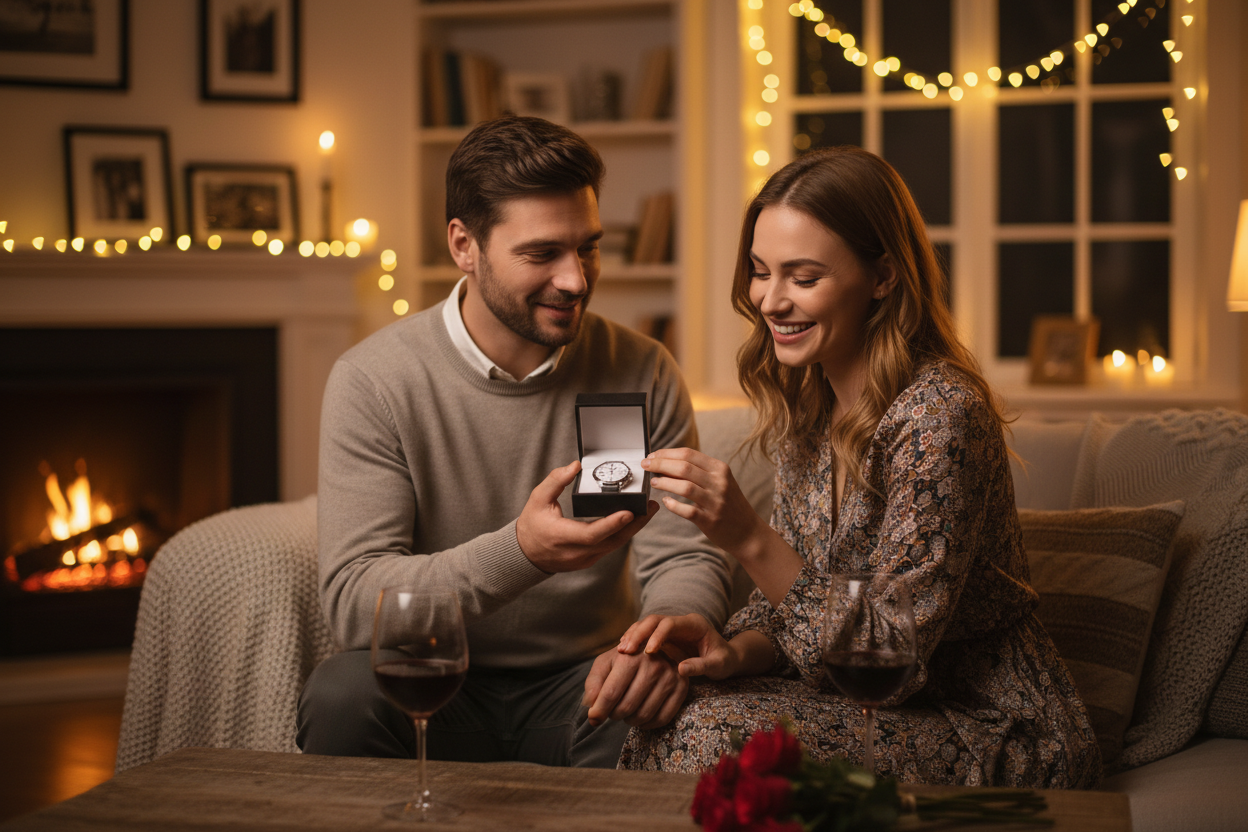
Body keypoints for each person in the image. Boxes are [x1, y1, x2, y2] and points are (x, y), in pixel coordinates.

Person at [608, 147, 1102, 788]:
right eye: (760, 272)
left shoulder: (939, 415)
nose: (770, 300)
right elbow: (791, 609)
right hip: (863, 703)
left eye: (803, 277)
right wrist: (733, 651)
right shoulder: (807, 407)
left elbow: (887, 656)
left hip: (991, 724)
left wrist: (747, 535)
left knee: (704, 738)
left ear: (884, 276)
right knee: (668, 710)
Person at [297, 115, 730, 768]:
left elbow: (680, 557)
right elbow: (357, 605)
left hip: (585, 687)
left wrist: (657, 646)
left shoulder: (639, 370)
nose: (576, 280)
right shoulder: (376, 381)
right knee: (340, 695)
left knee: (689, 711)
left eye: (588, 247)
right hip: (436, 677)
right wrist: (522, 551)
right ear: (463, 245)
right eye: (542, 254)